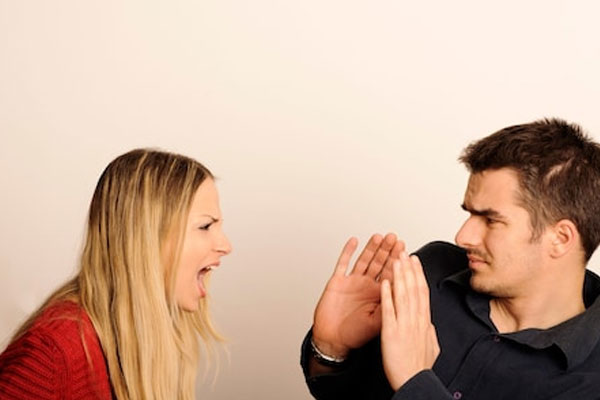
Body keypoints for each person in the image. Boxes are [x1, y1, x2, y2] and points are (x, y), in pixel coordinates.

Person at [301, 118, 600, 399]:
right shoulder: (429, 272)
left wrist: (415, 382)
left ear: (560, 238)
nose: (462, 236)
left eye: (491, 220)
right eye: (470, 214)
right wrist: (330, 349)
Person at [0, 149, 232, 400]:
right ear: (146, 236)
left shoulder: (143, 336)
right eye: (205, 226)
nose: (225, 246)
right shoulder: (53, 353)